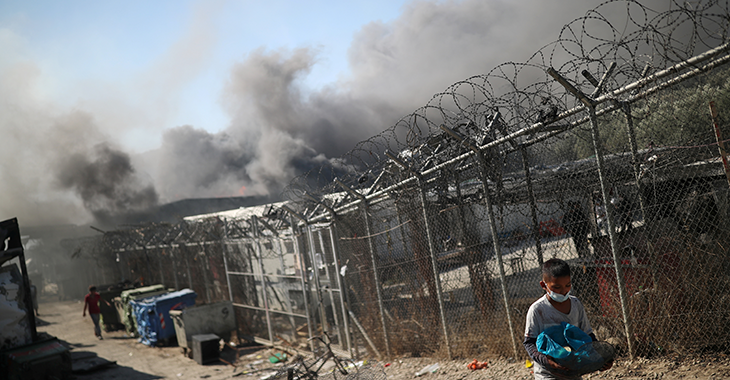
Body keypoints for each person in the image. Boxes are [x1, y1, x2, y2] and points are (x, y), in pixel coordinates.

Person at [523, 259, 613, 379]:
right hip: (548, 374)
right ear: (543, 285)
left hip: (574, 370)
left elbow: (587, 336)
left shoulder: (576, 304)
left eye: (567, 285)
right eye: (557, 287)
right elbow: (529, 343)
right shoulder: (537, 310)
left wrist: (600, 358)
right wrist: (547, 361)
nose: (564, 291)